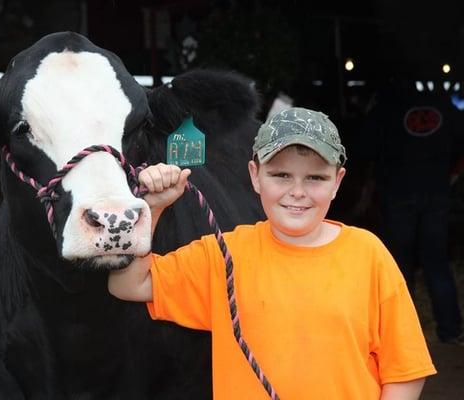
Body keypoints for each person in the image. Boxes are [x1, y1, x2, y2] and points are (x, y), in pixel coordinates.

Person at [109, 107, 436, 399]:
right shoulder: (224, 257)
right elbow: (127, 285)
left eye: (315, 177)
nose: (297, 192)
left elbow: (406, 370)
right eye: (281, 175)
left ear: (337, 182)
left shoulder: (369, 255)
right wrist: (151, 210)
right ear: (255, 176)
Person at [356, 75, 464, 345]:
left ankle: (401, 336)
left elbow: (365, 148)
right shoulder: (442, 105)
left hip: (399, 193)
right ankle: (450, 331)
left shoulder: (387, 107)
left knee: (399, 265)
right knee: (436, 263)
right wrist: (450, 175)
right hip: (436, 192)